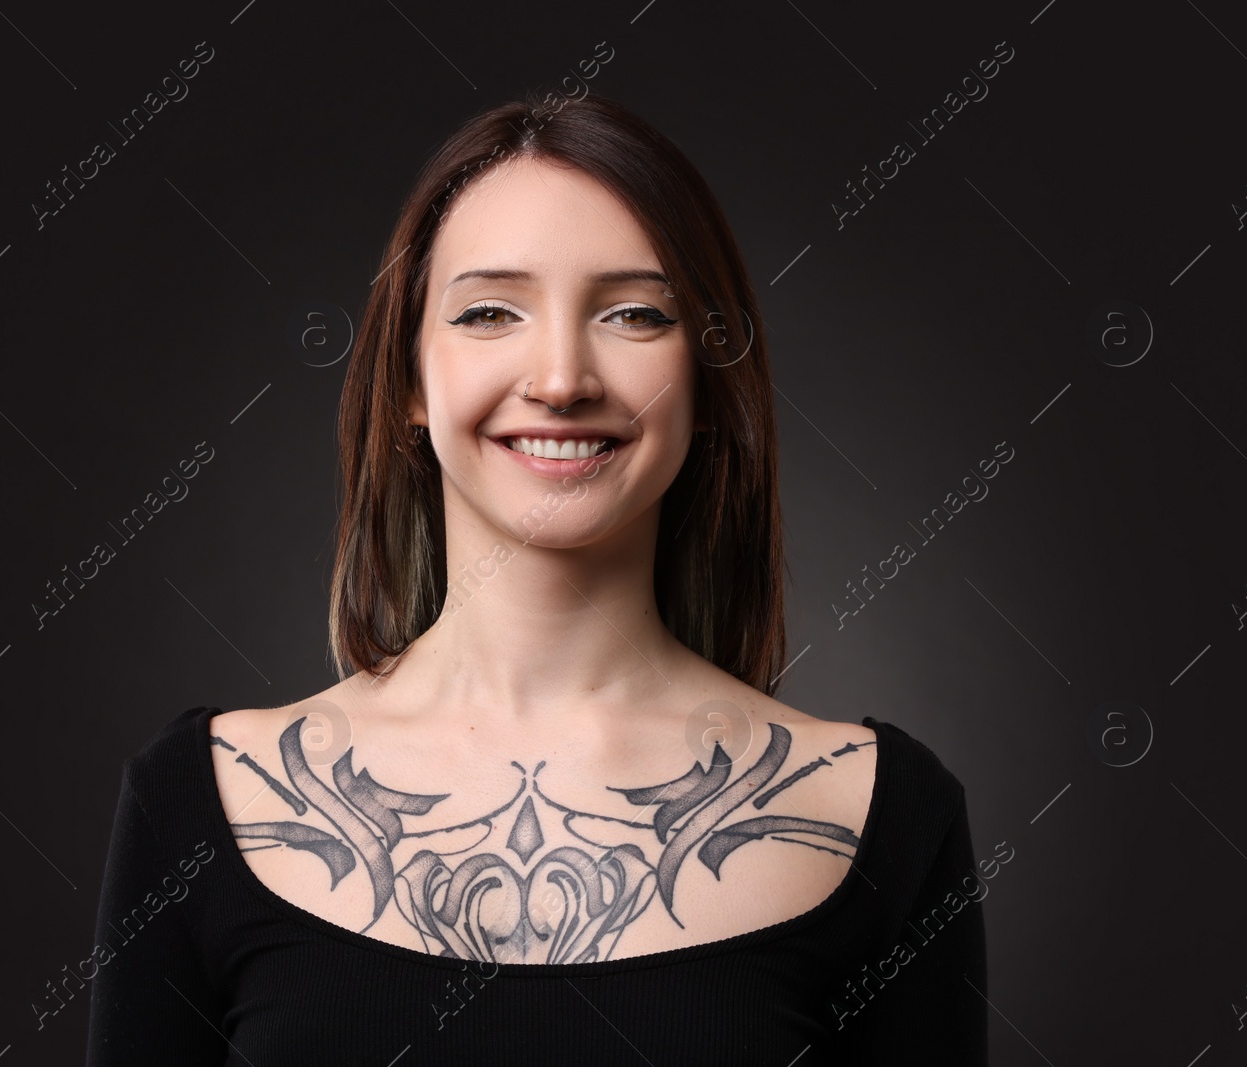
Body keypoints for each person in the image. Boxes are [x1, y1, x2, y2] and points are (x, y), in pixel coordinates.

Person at [85, 91, 987, 1065]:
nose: (560, 376)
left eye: (634, 313)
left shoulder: (875, 815)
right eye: (487, 311)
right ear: (408, 387)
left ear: (710, 380)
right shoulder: (196, 800)